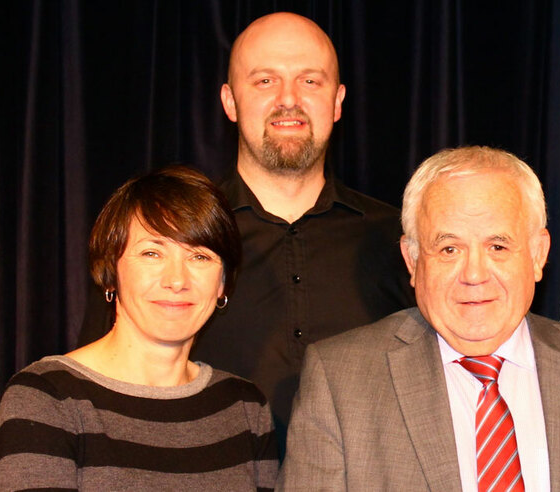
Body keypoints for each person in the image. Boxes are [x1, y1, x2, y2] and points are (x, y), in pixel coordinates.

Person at [78, 12, 415, 449]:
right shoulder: (167, 241)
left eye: (310, 81)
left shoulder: (401, 241)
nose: (288, 99)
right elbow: (101, 387)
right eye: (265, 81)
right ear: (230, 101)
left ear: (338, 100)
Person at [277, 146, 560, 491]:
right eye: (449, 249)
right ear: (413, 261)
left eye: (497, 247)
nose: (474, 274)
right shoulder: (341, 382)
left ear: (537, 254)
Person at [0, 166, 278, 490]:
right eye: (152, 253)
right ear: (111, 270)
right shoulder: (47, 399)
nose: (176, 280)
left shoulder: (245, 407)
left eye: (199, 257)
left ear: (223, 282)